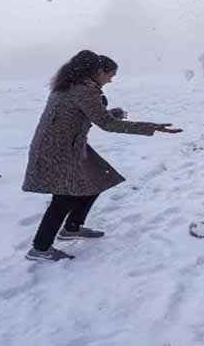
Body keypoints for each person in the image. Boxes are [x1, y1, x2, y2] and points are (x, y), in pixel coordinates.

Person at [22, 50, 183, 261]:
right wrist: (152, 127)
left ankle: (72, 227)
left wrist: (109, 113)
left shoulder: (69, 85)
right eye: (109, 74)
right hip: (60, 150)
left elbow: (82, 113)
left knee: (97, 177)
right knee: (64, 196)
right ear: (96, 71)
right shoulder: (84, 90)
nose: (111, 79)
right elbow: (106, 124)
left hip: (64, 145)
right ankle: (40, 248)